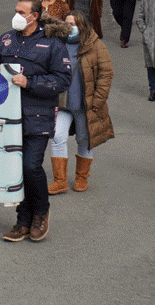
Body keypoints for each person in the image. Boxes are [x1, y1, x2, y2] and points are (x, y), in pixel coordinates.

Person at [0, 0, 72, 242]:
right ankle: (22, 219)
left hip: (38, 115)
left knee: (31, 167)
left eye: (21, 11)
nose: (17, 15)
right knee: (15, 169)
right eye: (15, 10)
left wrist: (31, 83)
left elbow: (63, 80)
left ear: (35, 15)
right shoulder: (7, 38)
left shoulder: (52, 43)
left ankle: (41, 213)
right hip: (9, 117)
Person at [48, 11, 113, 195]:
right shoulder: (56, 43)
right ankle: (60, 181)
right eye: (67, 23)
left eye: (74, 23)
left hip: (85, 105)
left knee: (84, 140)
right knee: (57, 137)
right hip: (62, 104)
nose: (70, 27)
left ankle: (81, 177)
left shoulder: (95, 45)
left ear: (82, 25)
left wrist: (98, 100)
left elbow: (106, 74)